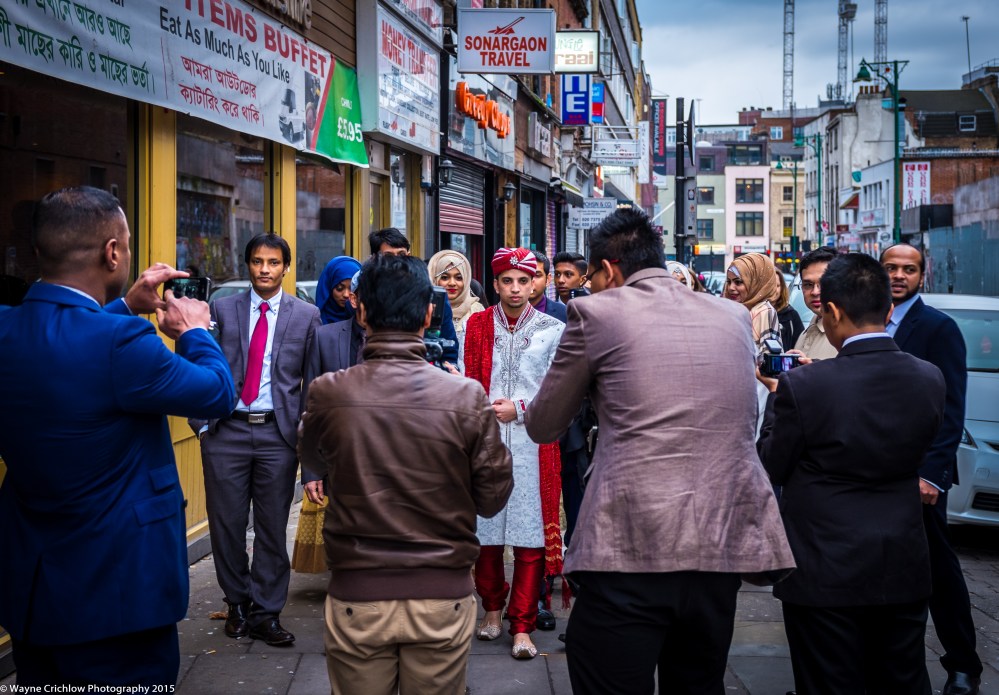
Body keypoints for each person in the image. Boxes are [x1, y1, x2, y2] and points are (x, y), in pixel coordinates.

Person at [525, 209, 794, 695]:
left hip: (629, 544)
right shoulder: (732, 315)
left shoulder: (596, 312)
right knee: (697, 682)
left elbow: (544, 424)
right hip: (719, 545)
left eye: (592, 276)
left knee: (604, 673)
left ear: (608, 269)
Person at [0, 186, 235, 685]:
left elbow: (70, 346)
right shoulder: (123, 345)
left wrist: (125, 306)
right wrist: (195, 331)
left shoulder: (7, 328)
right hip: (121, 594)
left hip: (34, 589)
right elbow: (217, 393)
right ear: (112, 252)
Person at [298, 254, 514, 695]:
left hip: (358, 593)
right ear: (430, 312)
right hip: (441, 593)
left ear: (360, 311)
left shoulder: (328, 393)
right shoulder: (465, 396)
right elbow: (493, 496)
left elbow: (311, 451)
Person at [757, 253, 945, 694]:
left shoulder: (805, 386)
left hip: (825, 564)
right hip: (901, 557)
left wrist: (779, 399)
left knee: (828, 681)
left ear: (833, 311)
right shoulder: (929, 378)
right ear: (889, 309)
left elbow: (771, 464)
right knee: (902, 676)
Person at [190, 233, 321, 647]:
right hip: (226, 429)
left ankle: (266, 612)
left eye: (273, 262)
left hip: (276, 435)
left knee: (270, 527)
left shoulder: (306, 316)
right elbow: (195, 360)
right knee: (227, 525)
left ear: (286, 267)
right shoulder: (222, 310)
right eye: (257, 261)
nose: (265, 269)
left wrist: (304, 437)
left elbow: (312, 383)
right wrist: (203, 424)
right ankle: (237, 604)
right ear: (247, 264)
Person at [881, 243, 982, 695]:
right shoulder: (865, 320)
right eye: (891, 268)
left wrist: (932, 475)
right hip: (876, 471)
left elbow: (951, 410)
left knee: (940, 573)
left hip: (920, 478)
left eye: (909, 269)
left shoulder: (938, 328)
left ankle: (964, 664)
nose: (899, 276)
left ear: (924, 274)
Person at [462, 248, 566, 660]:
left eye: (524, 280)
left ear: (536, 282)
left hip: (532, 445)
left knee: (529, 539)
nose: (516, 288)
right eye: (508, 281)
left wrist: (521, 408)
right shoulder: (476, 326)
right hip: (485, 443)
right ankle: (491, 609)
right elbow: (465, 381)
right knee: (485, 536)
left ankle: (521, 624)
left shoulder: (551, 329)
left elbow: (559, 391)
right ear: (496, 284)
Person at [292, 270, 365, 575]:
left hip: (387, 459)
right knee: (342, 541)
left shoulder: (404, 340)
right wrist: (311, 471)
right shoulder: (325, 337)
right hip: (337, 461)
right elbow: (310, 405)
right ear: (352, 299)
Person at [368, 227, 459, 364]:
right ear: (374, 259)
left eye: (402, 254)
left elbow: (449, 349)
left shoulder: (434, 297)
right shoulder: (366, 294)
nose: (398, 261)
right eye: (389, 256)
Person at [725, 252, 782, 352]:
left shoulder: (763, 312)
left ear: (755, 283)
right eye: (729, 282)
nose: (731, 288)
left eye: (738, 282)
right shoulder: (740, 311)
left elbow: (765, 358)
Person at [792, 246, 839, 362]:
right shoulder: (808, 330)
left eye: (823, 283)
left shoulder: (846, 336)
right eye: (808, 284)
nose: (815, 292)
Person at [428, 249, 486, 341]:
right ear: (435, 279)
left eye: (459, 278)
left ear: (466, 280)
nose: (452, 283)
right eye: (444, 277)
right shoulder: (427, 308)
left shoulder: (477, 311)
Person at [314, 255, 363, 325]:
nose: (346, 295)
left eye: (352, 289)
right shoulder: (315, 320)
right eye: (339, 288)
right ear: (329, 287)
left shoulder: (367, 321)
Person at [529, 250, 568, 322]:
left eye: (537, 275)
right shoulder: (504, 313)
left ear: (548, 279)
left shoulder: (565, 314)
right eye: (524, 277)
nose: (530, 281)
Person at [774, 269, 804, 348]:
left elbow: (801, 347)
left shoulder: (791, 315)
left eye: (777, 286)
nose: (774, 290)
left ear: (782, 288)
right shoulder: (755, 314)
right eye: (770, 286)